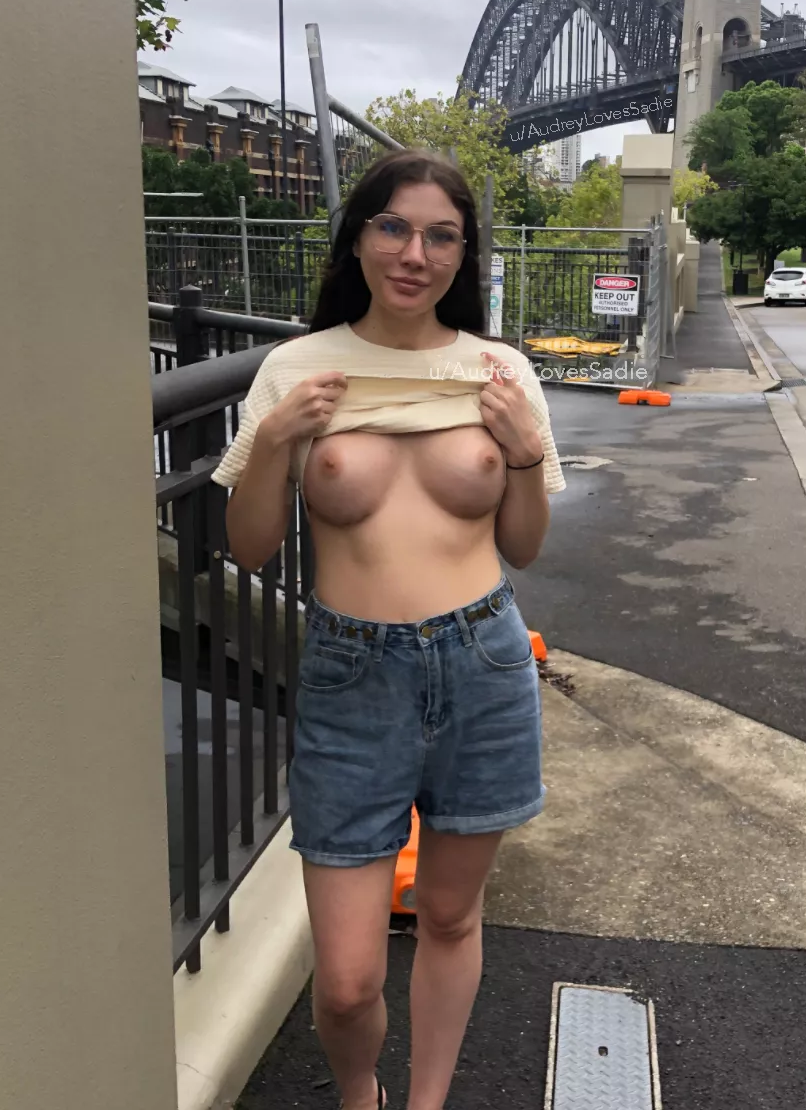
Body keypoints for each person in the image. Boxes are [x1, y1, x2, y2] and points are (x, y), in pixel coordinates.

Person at [213, 149, 565, 1110]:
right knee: (347, 978)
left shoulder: (499, 372)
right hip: (350, 673)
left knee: (450, 917)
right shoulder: (298, 368)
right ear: (360, 239)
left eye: (441, 234)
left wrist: (527, 454)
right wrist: (278, 441)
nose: (416, 253)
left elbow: (523, 547)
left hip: (484, 660)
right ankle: (358, 1093)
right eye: (394, 228)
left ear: (464, 253)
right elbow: (247, 549)